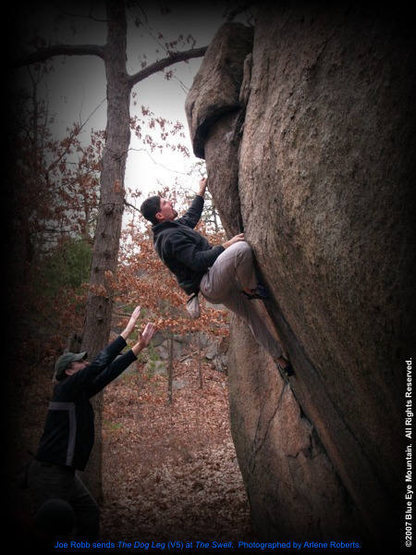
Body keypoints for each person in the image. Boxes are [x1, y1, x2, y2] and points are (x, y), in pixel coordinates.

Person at [27, 306, 155, 539]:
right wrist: (126, 331)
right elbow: (98, 365)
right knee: (52, 528)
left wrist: (140, 347)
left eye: (84, 363)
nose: (85, 365)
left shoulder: (78, 392)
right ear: (68, 371)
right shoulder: (65, 389)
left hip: (65, 473)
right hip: (49, 474)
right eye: (80, 364)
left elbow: (108, 372)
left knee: (88, 513)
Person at [140, 178, 292, 374]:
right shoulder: (169, 238)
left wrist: (201, 191)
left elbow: (191, 217)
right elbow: (197, 261)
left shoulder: (170, 229)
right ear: (160, 215)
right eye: (164, 202)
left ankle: (280, 360)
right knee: (241, 249)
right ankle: (250, 288)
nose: (169, 201)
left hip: (215, 281)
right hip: (210, 282)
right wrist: (225, 246)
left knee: (250, 316)